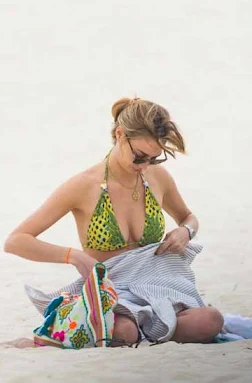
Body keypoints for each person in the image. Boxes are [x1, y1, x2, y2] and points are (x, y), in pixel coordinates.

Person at [4, 97, 224, 345]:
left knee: (211, 320)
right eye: (139, 156)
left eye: (154, 158)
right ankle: (141, 331)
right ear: (120, 134)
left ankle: (150, 328)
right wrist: (74, 256)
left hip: (157, 286)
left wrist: (185, 231)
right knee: (124, 332)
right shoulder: (83, 185)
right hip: (112, 291)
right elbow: (15, 241)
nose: (145, 165)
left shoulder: (157, 177)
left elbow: (188, 217)